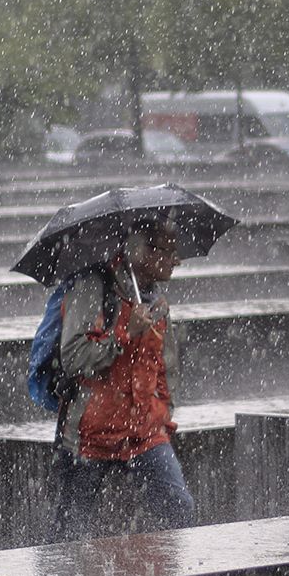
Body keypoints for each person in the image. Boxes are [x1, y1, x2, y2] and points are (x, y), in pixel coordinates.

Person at [48, 218, 195, 539]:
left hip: (144, 432)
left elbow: (165, 368)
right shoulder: (93, 289)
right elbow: (73, 358)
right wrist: (125, 334)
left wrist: (162, 415)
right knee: (69, 533)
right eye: (169, 251)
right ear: (142, 252)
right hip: (90, 436)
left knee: (179, 509)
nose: (177, 260)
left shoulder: (155, 301)